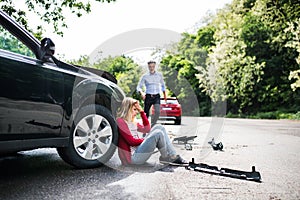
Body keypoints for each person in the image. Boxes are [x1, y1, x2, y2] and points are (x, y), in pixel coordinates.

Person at [117, 97, 187, 166]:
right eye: (134, 109)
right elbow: (131, 141)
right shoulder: (121, 121)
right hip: (132, 158)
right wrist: (146, 140)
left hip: (138, 151)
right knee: (158, 133)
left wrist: (142, 112)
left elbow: (147, 129)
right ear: (128, 109)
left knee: (159, 127)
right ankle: (167, 157)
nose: (136, 112)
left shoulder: (133, 122)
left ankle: (172, 155)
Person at [136, 60, 167, 126]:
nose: (151, 68)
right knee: (146, 113)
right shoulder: (145, 76)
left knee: (158, 112)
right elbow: (139, 87)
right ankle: (146, 127)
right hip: (148, 96)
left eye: (153, 66)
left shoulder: (159, 75)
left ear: (155, 66)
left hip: (156, 96)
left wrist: (164, 95)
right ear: (148, 67)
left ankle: (153, 124)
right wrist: (142, 92)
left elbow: (163, 85)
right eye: (150, 66)